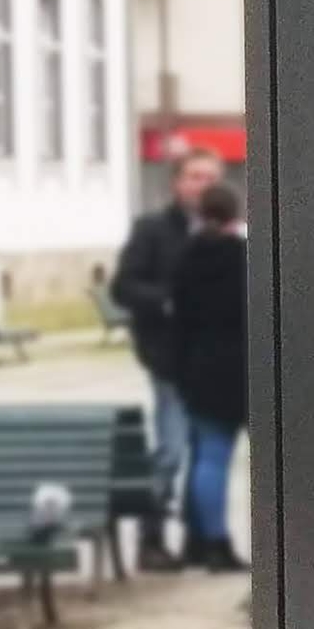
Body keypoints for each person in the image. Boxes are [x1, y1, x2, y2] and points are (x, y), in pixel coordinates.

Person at [111, 148, 219, 569]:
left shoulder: (228, 231)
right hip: (170, 360)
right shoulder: (152, 230)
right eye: (195, 176)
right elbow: (124, 287)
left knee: (206, 453)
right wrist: (168, 301)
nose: (203, 185)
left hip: (214, 364)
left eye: (210, 177)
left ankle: (200, 539)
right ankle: (151, 538)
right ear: (177, 183)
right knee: (171, 450)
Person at [167, 179, 249, 573]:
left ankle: (211, 541)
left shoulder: (186, 258)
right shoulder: (244, 258)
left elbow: (178, 320)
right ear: (235, 214)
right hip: (245, 368)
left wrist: (181, 370)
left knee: (209, 458)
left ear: (200, 214)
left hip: (201, 368)